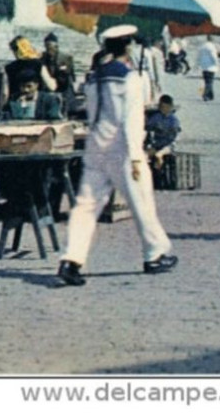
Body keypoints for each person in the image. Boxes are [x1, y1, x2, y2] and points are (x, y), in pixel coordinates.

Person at [55, 24, 177, 286]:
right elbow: (132, 119)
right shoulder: (130, 77)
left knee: (86, 205)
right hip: (122, 147)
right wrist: (135, 156)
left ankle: (71, 260)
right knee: (141, 200)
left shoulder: (94, 77)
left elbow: (91, 109)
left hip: (96, 145)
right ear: (128, 46)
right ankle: (154, 253)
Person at [145, 94, 182, 186]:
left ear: (170, 107)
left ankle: (159, 160)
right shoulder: (156, 117)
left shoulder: (173, 120)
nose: (163, 109)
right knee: (146, 155)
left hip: (169, 145)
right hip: (157, 143)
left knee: (159, 154)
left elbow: (175, 136)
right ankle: (150, 178)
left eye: (165, 107)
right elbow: (147, 127)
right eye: (161, 107)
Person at [42, 32, 77, 111]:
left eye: (51, 47)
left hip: (64, 86)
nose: (49, 50)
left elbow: (71, 75)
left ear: (56, 46)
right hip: (48, 86)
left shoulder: (66, 58)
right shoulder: (42, 58)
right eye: (47, 47)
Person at [197, 36, 219, 102]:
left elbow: (199, 56)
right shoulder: (212, 47)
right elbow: (213, 56)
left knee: (206, 81)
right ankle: (205, 95)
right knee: (210, 82)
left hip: (204, 67)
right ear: (212, 40)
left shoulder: (202, 46)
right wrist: (217, 63)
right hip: (211, 66)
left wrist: (198, 64)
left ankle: (211, 95)